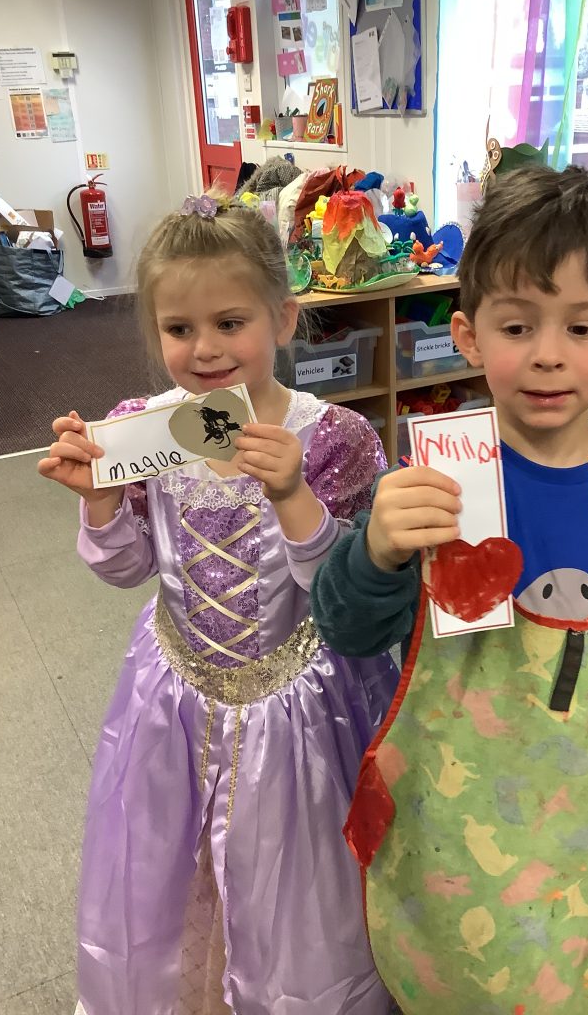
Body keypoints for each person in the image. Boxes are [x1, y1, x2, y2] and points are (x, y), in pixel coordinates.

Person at [311, 166, 588, 1015]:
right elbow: (347, 630)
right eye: (516, 325)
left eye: (581, 326)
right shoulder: (432, 485)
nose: (547, 353)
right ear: (467, 336)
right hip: (453, 847)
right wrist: (377, 552)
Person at [38, 191, 398, 1015]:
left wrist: (293, 494)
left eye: (230, 323)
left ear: (283, 318)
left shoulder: (336, 438)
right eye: (178, 328)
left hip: (301, 706)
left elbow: (344, 592)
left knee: (298, 878)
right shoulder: (145, 431)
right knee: (175, 868)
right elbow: (130, 567)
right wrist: (100, 501)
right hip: (175, 701)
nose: (204, 350)